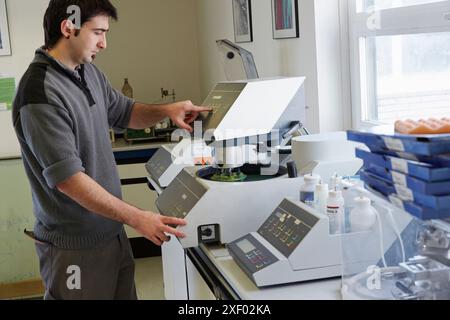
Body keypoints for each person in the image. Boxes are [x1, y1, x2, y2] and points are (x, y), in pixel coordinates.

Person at [12, 0, 210, 300]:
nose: (104, 43)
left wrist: (168, 110)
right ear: (69, 27)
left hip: (111, 235)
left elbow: (126, 113)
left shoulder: (87, 73)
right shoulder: (39, 92)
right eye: (98, 32)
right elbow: (69, 181)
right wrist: (136, 217)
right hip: (74, 247)